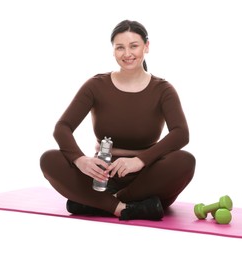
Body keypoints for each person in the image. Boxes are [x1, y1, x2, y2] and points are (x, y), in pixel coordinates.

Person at [39, 19, 195, 221]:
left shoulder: (163, 89)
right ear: (113, 50)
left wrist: (139, 161)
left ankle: (98, 203)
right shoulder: (96, 85)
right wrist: (81, 160)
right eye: (120, 47)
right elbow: (62, 127)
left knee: (185, 161)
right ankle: (127, 208)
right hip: (102, 176)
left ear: (146, 47)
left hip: (146, 178)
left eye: (134, 46)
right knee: (49, 159)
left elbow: (181, 134)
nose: (127, 53)